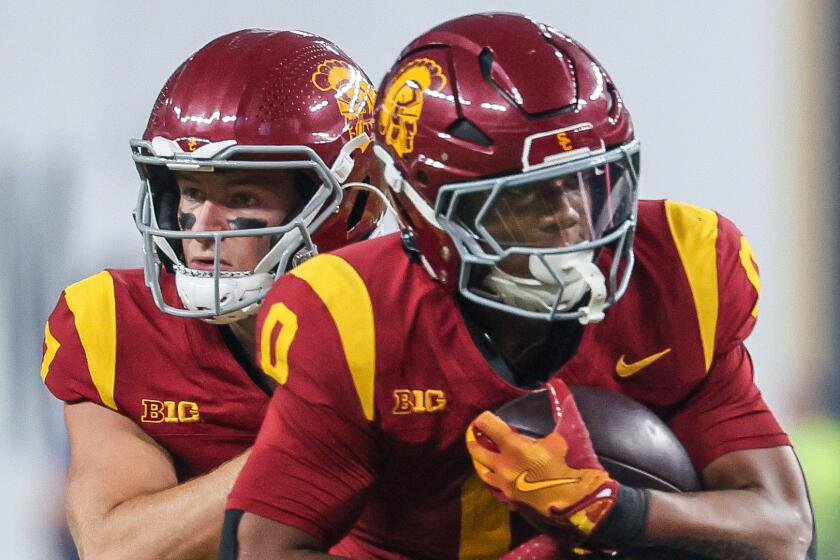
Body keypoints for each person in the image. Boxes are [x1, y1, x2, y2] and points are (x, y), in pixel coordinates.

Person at [223, 13, 815, 559]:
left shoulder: (678, 272)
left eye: (588, 180)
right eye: (522, 197)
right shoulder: (355, 314)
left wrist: (619, 511)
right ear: (422, 212)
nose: (572, 218)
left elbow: (784, 528)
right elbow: (262, 550)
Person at [39, 28, 384, 559]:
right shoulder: (112, 323)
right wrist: (312, 440)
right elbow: (117, 549)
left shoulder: (414, 320)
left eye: (242, 195)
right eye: (192, 191)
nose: (202, 228)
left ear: (353, 206)